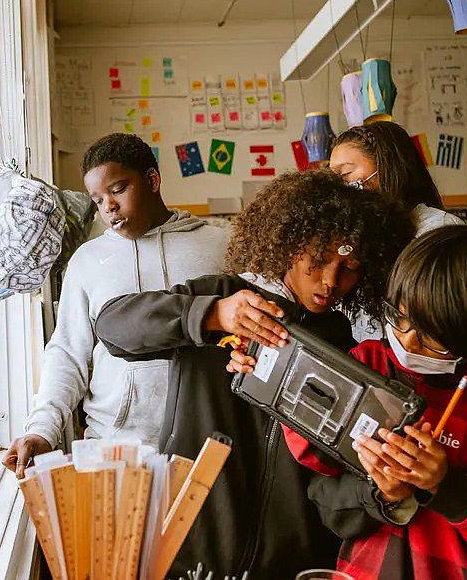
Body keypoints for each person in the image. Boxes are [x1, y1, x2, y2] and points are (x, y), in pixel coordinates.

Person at [94, 170, 415, 578]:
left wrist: (382, 490)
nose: (331, 281)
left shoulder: (344, 346)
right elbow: (113, 328)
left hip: (290, 565)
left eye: (349, 268)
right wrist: (211, 315)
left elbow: (324, 482)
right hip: (188, 549)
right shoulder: (222, 295)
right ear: (289, 243)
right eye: (319, 259)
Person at [232, 225, 467, 579]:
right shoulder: (371, 365)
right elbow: (319, 470)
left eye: (433, 337)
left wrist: (449, 487)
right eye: (401, 317)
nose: (407, 342)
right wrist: (264, 367)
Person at [3, 133, 229, 477]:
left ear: (152, 180)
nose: (108, 206)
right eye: (97, 199)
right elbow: (67, 352)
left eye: (118, 189)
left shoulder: (219, 245)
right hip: (114, 448)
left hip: (211, 446)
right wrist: (42, 429)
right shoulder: (87, 262)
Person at [330, 120, 464, 341]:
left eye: (345, 175)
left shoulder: (438, 231)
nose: (338, 188)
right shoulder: (356, 235)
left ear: (388, 168)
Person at [329, 120, 464, 236]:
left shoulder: (439, 228)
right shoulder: (359, 231)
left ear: (386, 167)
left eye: (346, 173)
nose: (337, 184)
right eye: (332, 176)